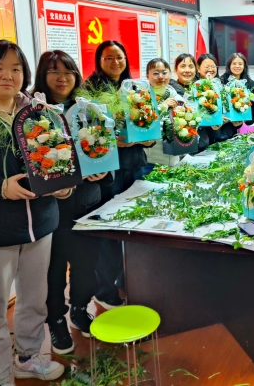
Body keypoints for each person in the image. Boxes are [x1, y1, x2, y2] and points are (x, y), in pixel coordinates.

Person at [0, 40, 68, 385]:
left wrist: (64, 185)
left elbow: (58, 157)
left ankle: (28, 357)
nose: (7, 75)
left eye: (16, 69)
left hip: (41, 224)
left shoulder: (39, 112)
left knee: (35, 300)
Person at [32, 50, 112, 353]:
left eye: (67, 72)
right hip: (51, 208)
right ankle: (56, 320)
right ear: (43, 76)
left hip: (87, 202)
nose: (62, 78)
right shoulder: (34, 112)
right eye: (54, 71)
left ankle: (80, 309)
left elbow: (105, 149)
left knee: (86, 261)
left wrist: (103, 170)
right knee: (54, 268)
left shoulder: (89, 109)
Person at [86, 40, 152, 309]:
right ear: (99, 61)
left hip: (136, 164)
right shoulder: (89, 90)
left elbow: (148, 124)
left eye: (120, 57)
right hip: (108, 170)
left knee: (135, 223)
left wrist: (148, 138)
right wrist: (113, 142)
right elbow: (87, 132)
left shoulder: (135, 88)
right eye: (109, 58)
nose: (115, 62)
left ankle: (129, 278)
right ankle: (105, 288)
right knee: (109, 229)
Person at [169, 53, 212, 153]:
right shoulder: (170, 92)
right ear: (175, 70)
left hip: (202, 145)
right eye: (183, 66)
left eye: (191, 66)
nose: (187, 70)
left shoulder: (201, 90)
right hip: (181, 148)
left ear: (196, 69)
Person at [144, 57, 179, 168]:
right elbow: (143, 121)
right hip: (151, 159)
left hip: (173, 157)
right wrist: (162, 106)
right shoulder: (142, 96)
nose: (160, 77)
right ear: (147, 76)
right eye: (155, 73)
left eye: (164, 73)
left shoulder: (174, 95)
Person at [197, 53, 239, 143]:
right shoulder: (196, 88)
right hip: (207, 140)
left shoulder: (224, 86)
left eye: (213, 66)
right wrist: (211, 122)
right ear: (198, 68)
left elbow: (230, 111)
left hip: (227, 136)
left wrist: (237, 122)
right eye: (207, 67)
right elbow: (196, 117)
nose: (210, 69)